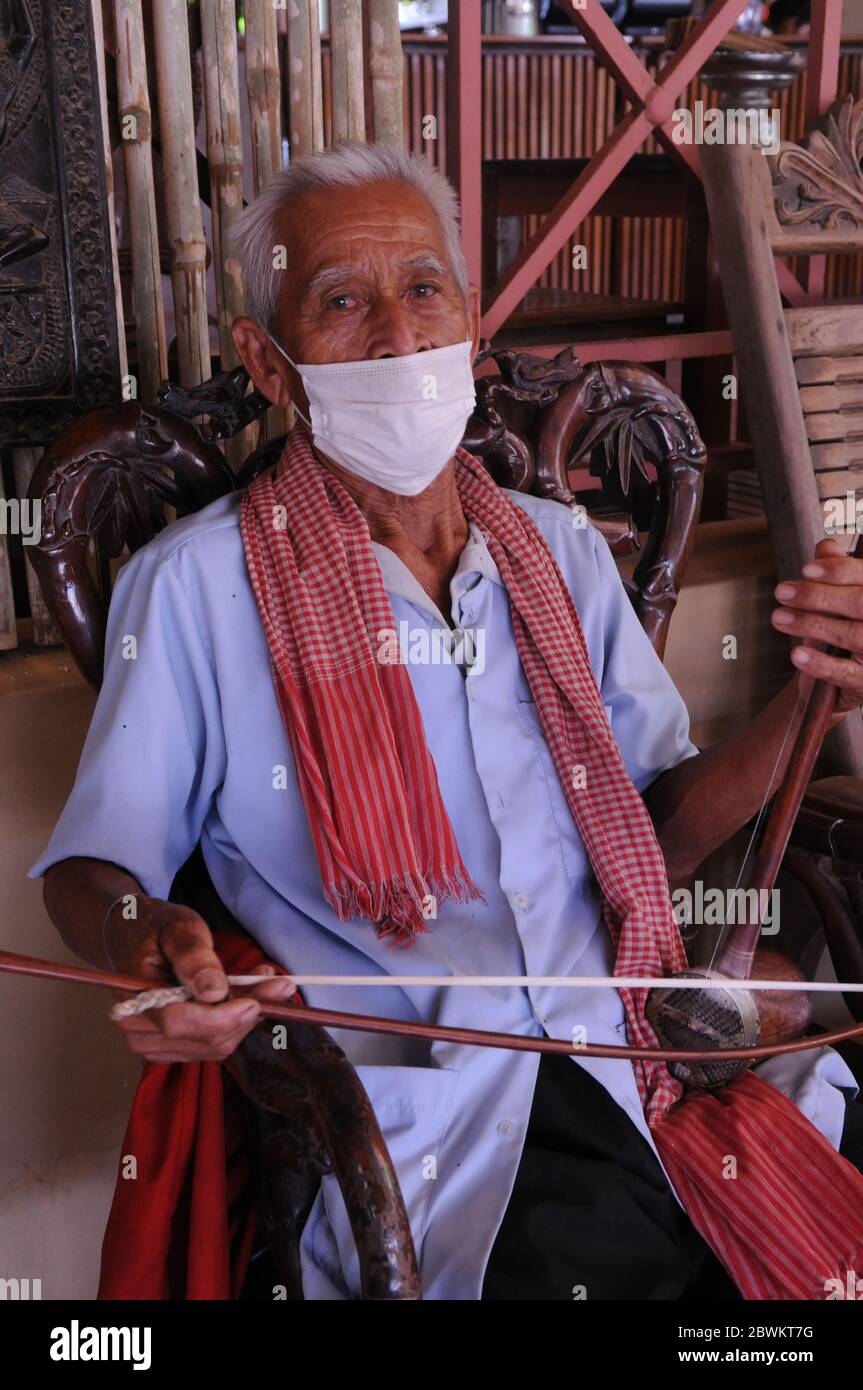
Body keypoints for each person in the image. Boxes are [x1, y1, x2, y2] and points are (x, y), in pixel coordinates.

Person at [31, 142, 863, 1300]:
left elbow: (656, 828)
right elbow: (92, 863)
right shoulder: (193, 589)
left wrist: (813, 691)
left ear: (471, 326)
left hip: (636, 1037)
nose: (395, 336)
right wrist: (145, 937)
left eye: (423, 288)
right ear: (267, 367)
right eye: (339, 302)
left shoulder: (557, 549)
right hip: (447, 1101)